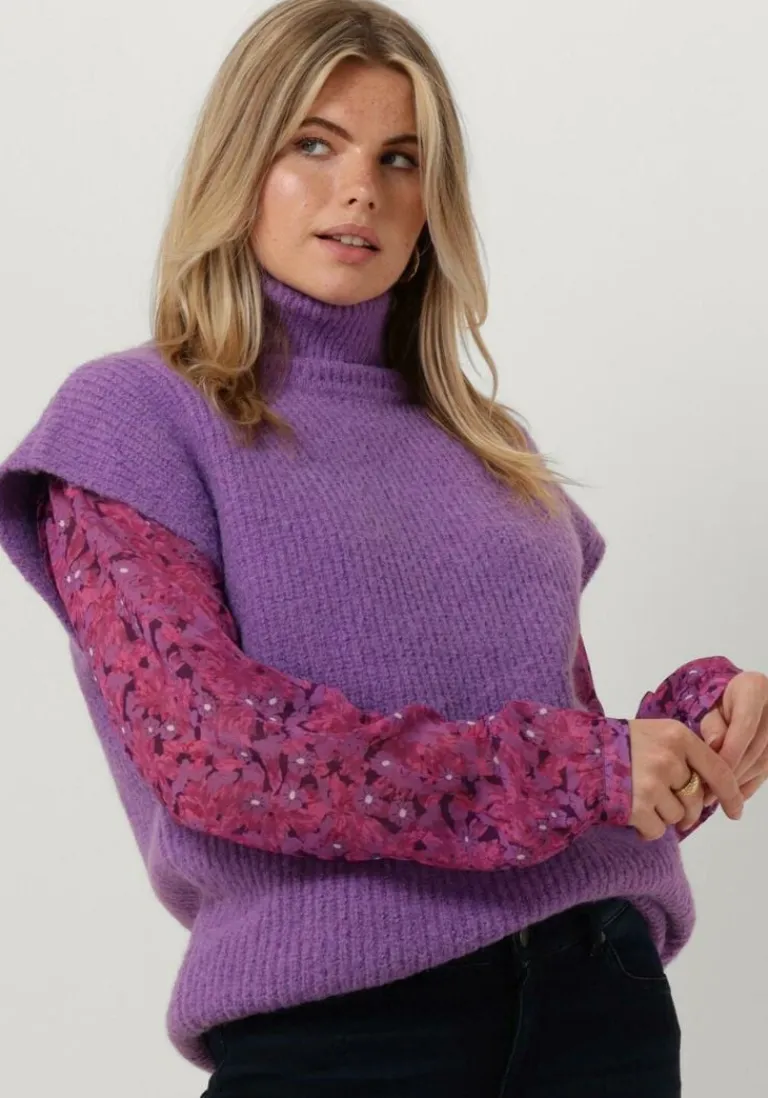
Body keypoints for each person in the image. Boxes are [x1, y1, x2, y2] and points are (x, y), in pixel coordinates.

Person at [1, 1, 766, 1095]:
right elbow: (219, 758)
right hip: (348, 1031)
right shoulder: (133, 420)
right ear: (240, 164)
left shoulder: (490, 448)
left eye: (400, 158)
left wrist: (694, 726)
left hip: (605, 1001)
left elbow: (557, 742)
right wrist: (587, 767)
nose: (360, 188)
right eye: (314, 144)